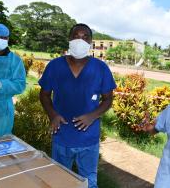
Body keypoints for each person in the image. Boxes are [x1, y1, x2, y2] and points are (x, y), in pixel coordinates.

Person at [39, 23, 116, 188]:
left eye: (85, 37)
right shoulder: (55, 66)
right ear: (69, 39)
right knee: (59, 180)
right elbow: (44, 95)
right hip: (61, 135)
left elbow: (108, 99)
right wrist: (52, 115)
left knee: (88, 182)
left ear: (91, 42)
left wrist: (92, 116)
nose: (80, 40)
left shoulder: (100, 68)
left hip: (88, 138)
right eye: (76, 36)